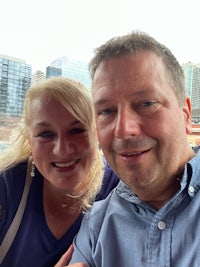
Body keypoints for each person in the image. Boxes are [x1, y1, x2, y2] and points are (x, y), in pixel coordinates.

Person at [60, 31, 200, 266]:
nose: (124, 130)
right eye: (106, 111)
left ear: (185, 113)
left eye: (146, 104)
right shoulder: (96, 225)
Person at [0, 77, 119, 267]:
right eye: (46, 134)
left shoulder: (120, 186)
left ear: (95, 133)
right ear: (30, 140)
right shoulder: (8, 185)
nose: (62, 150)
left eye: (77, 130)